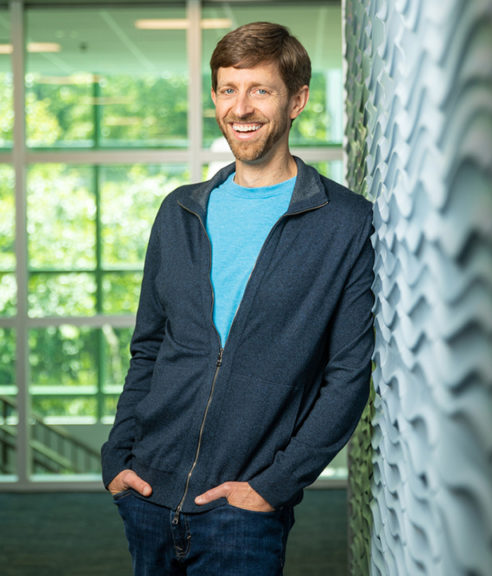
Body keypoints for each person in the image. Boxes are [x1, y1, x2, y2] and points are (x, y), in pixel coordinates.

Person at [101, 21, 374, 575]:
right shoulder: (180, 211)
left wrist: (273, 486)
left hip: (243, 513)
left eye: (260, 90)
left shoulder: (344, 222)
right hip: (148, 494)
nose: (241, 107)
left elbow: (347, 375)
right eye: (228, 89)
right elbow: (149, 347)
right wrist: (118, 458)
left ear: (296, 101)